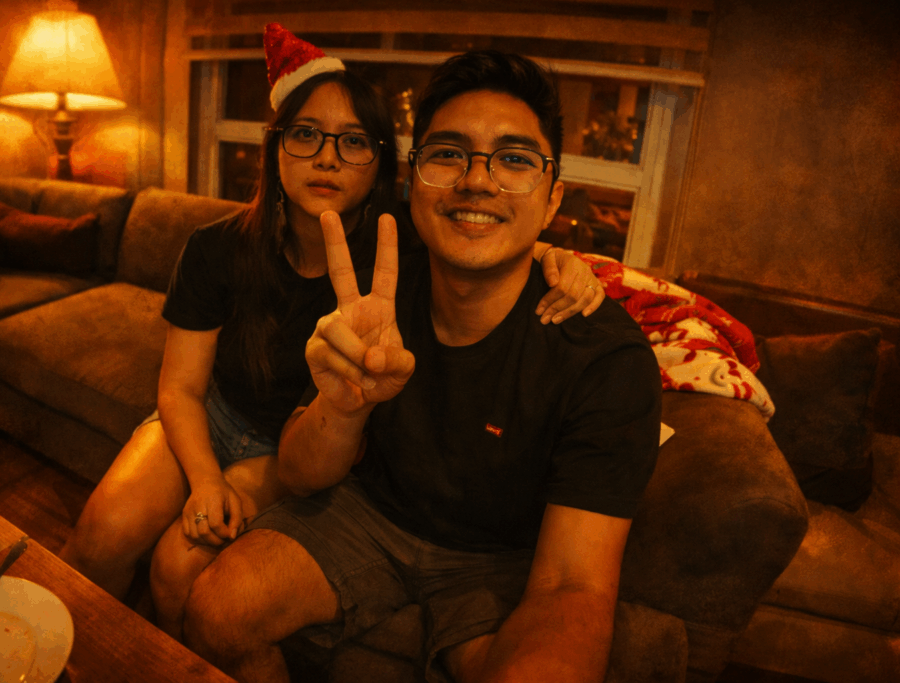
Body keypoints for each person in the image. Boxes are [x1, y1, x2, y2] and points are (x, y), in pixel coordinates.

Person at [58, 26, 603, 632]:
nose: (327, 157)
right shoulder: (215, 248)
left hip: (294, 447)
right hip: (210, 413)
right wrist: (204, 478)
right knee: (99, 537)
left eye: (354, 142)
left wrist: (561, 260)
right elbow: (181, 388)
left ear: (382, 165)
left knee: (177, 563)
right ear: (275, 148)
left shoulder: (402, 249)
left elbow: (486, 237)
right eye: (306, 135)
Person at [180, 49, 663, 683]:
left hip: (501, 556)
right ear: (413, 183)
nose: (477, 180)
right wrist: (343, 407)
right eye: (449, 153)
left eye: (515, 160)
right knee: (215, 610)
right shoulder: (375, 292)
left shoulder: (606, 360)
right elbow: (297, 474)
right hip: (368, 515)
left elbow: (574, 583)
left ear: (552, 201)